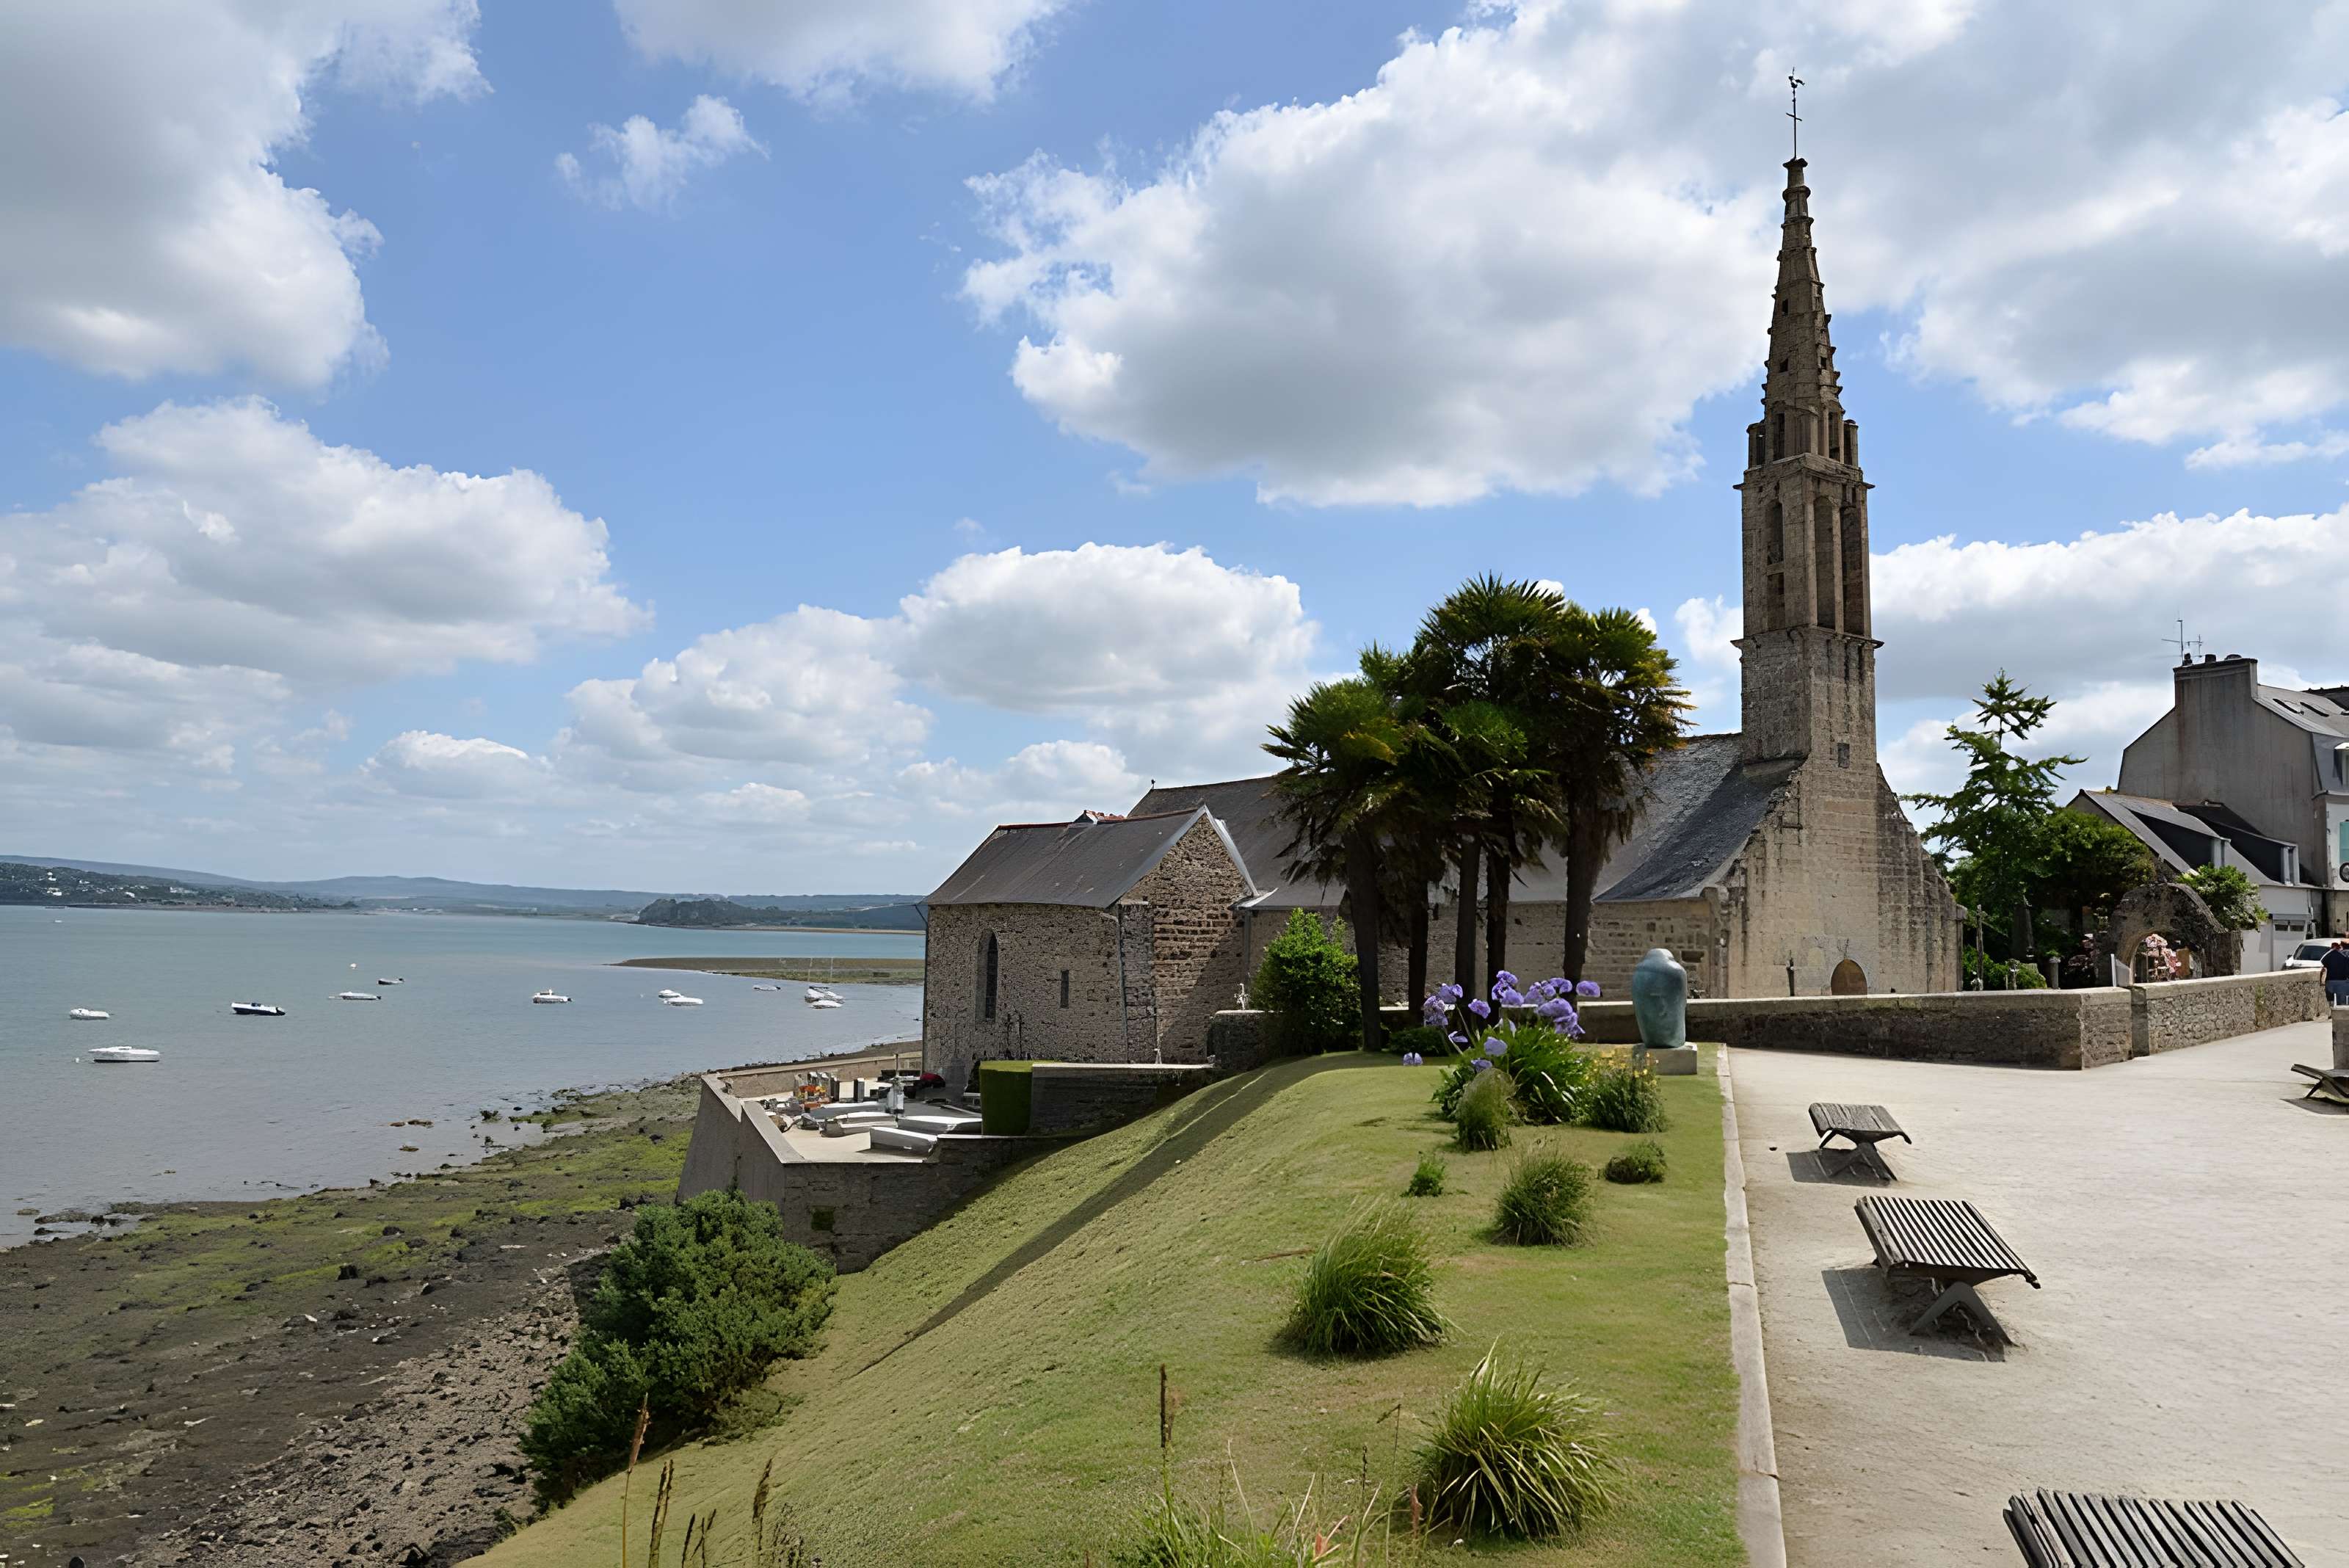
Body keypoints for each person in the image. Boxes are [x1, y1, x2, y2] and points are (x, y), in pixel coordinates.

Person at [2322, 938, 2349, 1007]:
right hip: (2342, 980)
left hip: (2330, 980)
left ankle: (2330, 1013)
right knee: (2341, 1001)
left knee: (2330, 999)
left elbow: (2323, 962)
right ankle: (2341, 1015)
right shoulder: (2344, 956)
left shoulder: (2329, 955)